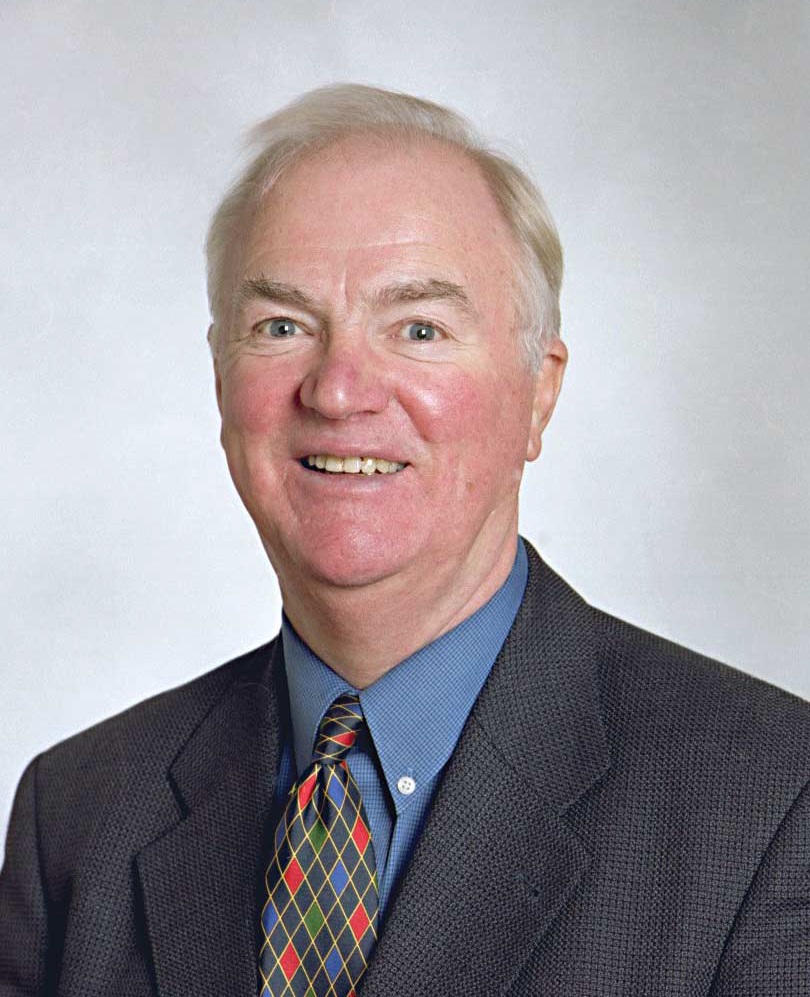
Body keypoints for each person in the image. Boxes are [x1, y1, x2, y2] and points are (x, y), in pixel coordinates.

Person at [1, 84, 809, 997]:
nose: (338, 390)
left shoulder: (772, 809)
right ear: (221, 381)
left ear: (539, 393)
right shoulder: (77, 816)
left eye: (419, 328)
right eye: (282, 326)